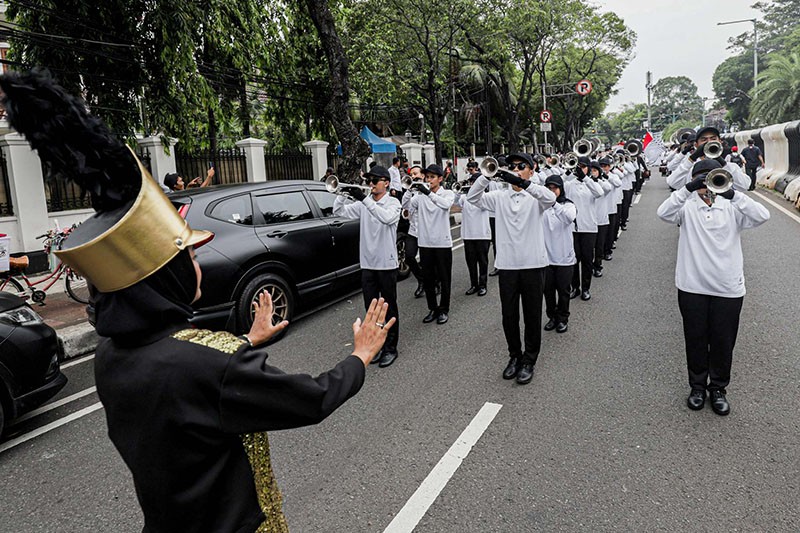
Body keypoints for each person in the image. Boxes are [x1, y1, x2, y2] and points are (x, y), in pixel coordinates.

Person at [0, 68, 397, 533]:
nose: (200, 264)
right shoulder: (206, 364)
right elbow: (312, 399)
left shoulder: (112, 354)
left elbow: (192, 393)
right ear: (163, 275)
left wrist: (247, 339)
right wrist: (361, 355)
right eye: (189, 255)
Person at [657, 159, 769, 415]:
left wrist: (732, 194)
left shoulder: (732, 206)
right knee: (695, 339)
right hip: (692, 285)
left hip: (727, 287)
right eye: (702, 179)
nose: (707, 185)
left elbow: (763, 216)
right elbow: (662, 213)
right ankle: (697, 387)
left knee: (722, 341)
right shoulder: (686, 208)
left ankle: (718, 388)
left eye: (712, 178)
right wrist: (687, 189)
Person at [467, 153, 556, 385]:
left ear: (531, 171)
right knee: (509, 316)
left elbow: (550, 199)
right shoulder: (498, 197)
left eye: (521, 166)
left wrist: (524, 184)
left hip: (533, 264)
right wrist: (487, 175)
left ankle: (529, 360)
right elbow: (473, 197)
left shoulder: (536, 195)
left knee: (532, 315)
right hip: (507, 266)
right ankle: (514, 356)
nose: (516, 169)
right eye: (513, 167)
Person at [333, 165, 402, 367]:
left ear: (386, 183)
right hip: (368, 264)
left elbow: (386, 218)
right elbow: (339, 212)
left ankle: (391, 348)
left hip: (387, 263)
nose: (370, 184)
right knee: (371, 309)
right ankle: (377, 347)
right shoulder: (365, 203)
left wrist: (363, 199)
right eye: (369, 181)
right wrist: (343, 194)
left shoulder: (393, 203)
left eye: (375, 181)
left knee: (389, 308)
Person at [407, 164, 455, 324]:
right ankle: (433, 308)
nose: (428, 180)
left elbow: (445, 205)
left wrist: (428, 193)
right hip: (425, 243)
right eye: (427, 177)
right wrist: (408, 189)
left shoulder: (447, 193)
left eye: (432, 177)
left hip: (442, 243)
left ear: (440, 179)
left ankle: (444, 309)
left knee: (444, 277)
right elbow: (407, 207)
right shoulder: (420, 197)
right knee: (428, 279)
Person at [563, 156, 603, 301]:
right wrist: (567, 172)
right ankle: (575, 287)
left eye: (584, 166)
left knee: (587, 260)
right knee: (574, 259)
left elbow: (599, 193)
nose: (581, 169)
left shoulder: (591, 183)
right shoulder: (569, 184)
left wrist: (585, 178)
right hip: (573, 228)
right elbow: (559, 189)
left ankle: (586, 288)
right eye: (578, 166)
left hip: (589, 227)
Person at [542, 175, 577, 334]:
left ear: (560, 189)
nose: (551, 191)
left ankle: (563, 318)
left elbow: (568, 218)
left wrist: (554, 203)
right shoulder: (540, 207)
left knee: (563, 291)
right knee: (548, 291)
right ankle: (552, 317)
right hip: (546, 258)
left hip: (564, 257)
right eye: (548, 189)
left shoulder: (568, 205)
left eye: (554, 188)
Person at [667, 127, 750, 192]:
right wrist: (692, 158)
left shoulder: (731, 166)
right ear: (696, 144)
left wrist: (721, 162)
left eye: (713, 139)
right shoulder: (690, 167)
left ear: (720, 142)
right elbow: (673, 182)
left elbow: (744, 186)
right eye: (704, 140)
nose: (709, 142)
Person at [454, 172, 491, 296]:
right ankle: (473, 284)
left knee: (483, 261)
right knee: (470, 262)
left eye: (474, 182)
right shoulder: (464, 198)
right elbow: (455, 201)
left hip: (482, 234)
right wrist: (459, 190)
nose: (472, 184)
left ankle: (483, 285)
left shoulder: (486, 197)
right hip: (468, 234)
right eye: (471, 182)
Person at [401, 165, 426, 298]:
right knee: (409, 257)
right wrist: (409, 190)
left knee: (428, 261)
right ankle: (421, 280)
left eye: (416, 174)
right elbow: (405, 206)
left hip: (427, 231)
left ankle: (436, 283)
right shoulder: (410, 191)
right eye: (412, 174)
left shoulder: (428, 189)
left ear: (422, 175)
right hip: (413, 230)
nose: (414, 176)